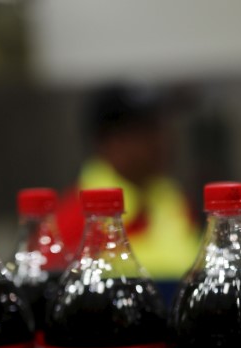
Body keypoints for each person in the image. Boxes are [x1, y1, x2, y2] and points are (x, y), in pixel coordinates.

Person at [54, 83, 201, 281]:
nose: (162, 139)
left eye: (162, 126)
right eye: (146, 131)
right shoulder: (74, 219)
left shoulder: (174, 201)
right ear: (109, 142)